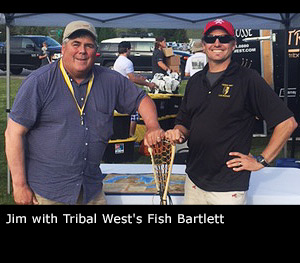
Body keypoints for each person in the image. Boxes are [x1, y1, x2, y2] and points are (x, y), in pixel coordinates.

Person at [5, 20, 164, 205]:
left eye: (88, 46)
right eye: (76, 44)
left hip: (91, 191)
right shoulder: (39, 82)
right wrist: (19, 185)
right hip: (48, 193)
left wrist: (153, 126)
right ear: (63, 49)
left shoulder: (109, 80)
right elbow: (13, 134)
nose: (82, 51)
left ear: (95, 52)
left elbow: (141, 100)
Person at [165, 19, 298, 205]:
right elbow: (184, 122)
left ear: (234, 44)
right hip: (194, 181)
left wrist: (261, 160)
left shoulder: (248, 79)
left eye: (224, 38)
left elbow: (287, 123)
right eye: (211, 39)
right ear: (203, 45)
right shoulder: (195, 81)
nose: (217, 43)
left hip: (228, 189)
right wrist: (178, 132)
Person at [113, 41, 157, 136]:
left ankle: (126, 133)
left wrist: (138, 77)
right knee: (134, 113)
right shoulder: (127, 62)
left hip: (118, 90)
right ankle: (131, 134)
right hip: (125, 91)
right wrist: (147, 84)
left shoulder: (117, 61)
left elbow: (128, 76)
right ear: (128, 49)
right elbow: (132, 79)